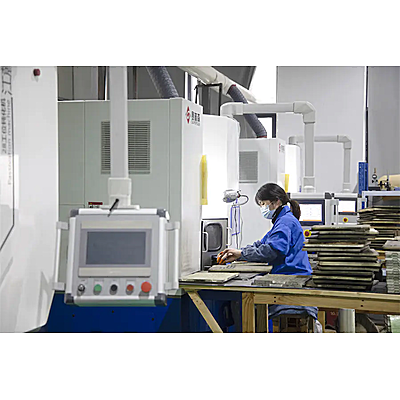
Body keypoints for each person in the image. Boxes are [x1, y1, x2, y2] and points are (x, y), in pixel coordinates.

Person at [219, 182, 319, 330]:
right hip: (290, 274)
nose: (262, 208)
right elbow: (261, 244)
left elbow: (272, 251)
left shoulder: (285, 222)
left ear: (276, 201)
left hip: (292, 278)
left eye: (263, 204)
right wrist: (239, 252)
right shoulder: (282, 220)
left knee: (242, 299)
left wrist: (241, 254)